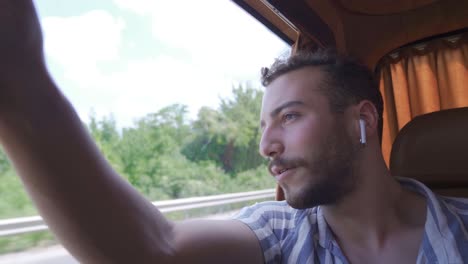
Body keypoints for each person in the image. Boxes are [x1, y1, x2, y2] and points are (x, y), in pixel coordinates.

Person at [0, 1, 467, 263]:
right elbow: (153, 251)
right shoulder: (280, 231)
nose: (267, 147)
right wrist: (20, 81)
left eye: (289, 117)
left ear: (362, 120)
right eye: (263, 126)